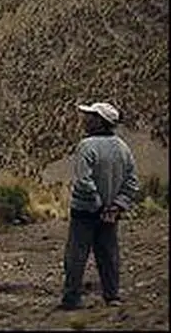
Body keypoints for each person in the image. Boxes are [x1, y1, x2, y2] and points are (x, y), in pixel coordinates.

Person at [59, 101, 141, 310]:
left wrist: (98, 205)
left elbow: (83, 181)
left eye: (91, 117)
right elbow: (132, 181)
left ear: (100, 122)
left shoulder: (86, 146)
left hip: (85, 211)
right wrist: (116, 206)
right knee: (108, 254)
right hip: (110, 214)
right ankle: (112, 295)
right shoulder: (123, 148)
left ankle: (72, 298)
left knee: (76, 255)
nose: (85, 120)